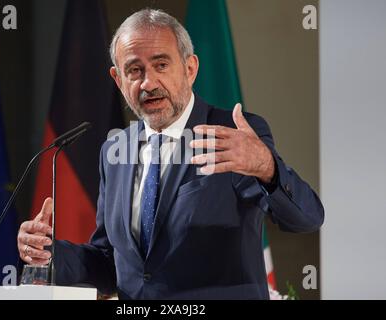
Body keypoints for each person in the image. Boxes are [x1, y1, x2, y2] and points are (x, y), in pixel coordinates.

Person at [17, 9, 324, 299]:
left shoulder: (234, 135)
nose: (148, 83)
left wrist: (267, 168)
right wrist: (49, 253)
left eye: (161, 65)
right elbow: (113, 264)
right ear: (118, 79)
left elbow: (307, 218)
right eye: (134, 70)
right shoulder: (114, 151)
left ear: (190, 69)